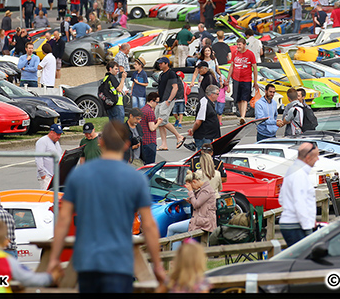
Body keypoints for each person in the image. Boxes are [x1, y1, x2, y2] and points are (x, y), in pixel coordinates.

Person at [47, 121, 167, 293]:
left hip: (86, 260)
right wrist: (157, 265)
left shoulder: (79, 174)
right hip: (120, 261)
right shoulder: (135, 179)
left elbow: (64, 219)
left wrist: (53, 258)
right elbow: (148, 225)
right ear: (126, 145)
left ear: (101, 142)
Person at [278, 143, 319, 247]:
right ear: (308, 158)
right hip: (296, 226)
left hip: (292, 224)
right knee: (303, 261)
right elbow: (300, 203)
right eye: (316, 156)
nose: (318, 159)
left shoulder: (293, 170)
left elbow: (281, 199)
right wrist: (308, 228)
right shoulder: (299, 174)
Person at [165, 169, 217, 249]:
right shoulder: (203, 189)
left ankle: (167, 253)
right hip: (199, 219)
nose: (193, 189)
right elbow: (200, 203)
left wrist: (190, 191)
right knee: (176, 235)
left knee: (171, 228)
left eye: (193, 187)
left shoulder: (206, 190)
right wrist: (190, 201)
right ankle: (175, 258)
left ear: (194, 182)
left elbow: (196, 205)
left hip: (203, 222)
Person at [154, 57, 185, 150]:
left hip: (167, 100)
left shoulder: (171, 73)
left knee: (162, 120)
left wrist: (169, 100)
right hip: (161, 100)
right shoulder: (161, 75)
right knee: (160, 122)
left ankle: (179, 136)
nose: (159, 65)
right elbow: (160, 89)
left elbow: (175, 87)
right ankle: (164, 144)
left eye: (161, 63)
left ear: (166, 64)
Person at [227, 38, 258, 125]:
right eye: (237, 44)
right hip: (236, 79)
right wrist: (228, 78)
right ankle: (242, 117)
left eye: (240, 45)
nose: (238, 46)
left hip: (246, 79)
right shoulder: (235, 53)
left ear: (244, 45)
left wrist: (255, 81)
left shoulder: (250, 54)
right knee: (239, 99)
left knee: (244, 99)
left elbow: (255, 68)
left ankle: (243, 117)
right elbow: (232, 66)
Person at [188, 85, 221, 150]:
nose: (218, 96)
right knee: (204, 156)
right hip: (204, 136)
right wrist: (193, 130)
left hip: (209, 136)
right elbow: (198, 121)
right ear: (212, 94)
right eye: (217, 94)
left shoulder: (210, 103)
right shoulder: (204, 102)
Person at [35, 124, 63, 190]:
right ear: (51, 132)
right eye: (57, 134)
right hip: (46, 176)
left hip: (54, 176)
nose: (59, 137)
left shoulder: (56, 142)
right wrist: (42, 174)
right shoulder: (42, 141)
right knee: (47, 197)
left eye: (60, 134)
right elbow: (39, 158)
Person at [100, 61, 127, 125]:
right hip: (117, 103)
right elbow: (119, 89)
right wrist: (123, 78)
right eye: (115, 69)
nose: (117, 71)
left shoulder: (105, 78)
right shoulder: (112, 77)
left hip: (110, 104)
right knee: (119, 125)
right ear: (110, 69)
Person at [140, 92, 162, 165]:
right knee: (150, 166)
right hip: (150, 142)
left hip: (143, 141)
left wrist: (155, 121)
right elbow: (152, 128)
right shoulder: (150, 112)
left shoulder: (142, 109)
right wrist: (158, 122)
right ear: (152, 101)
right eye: (156, 102)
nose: (157, 104)